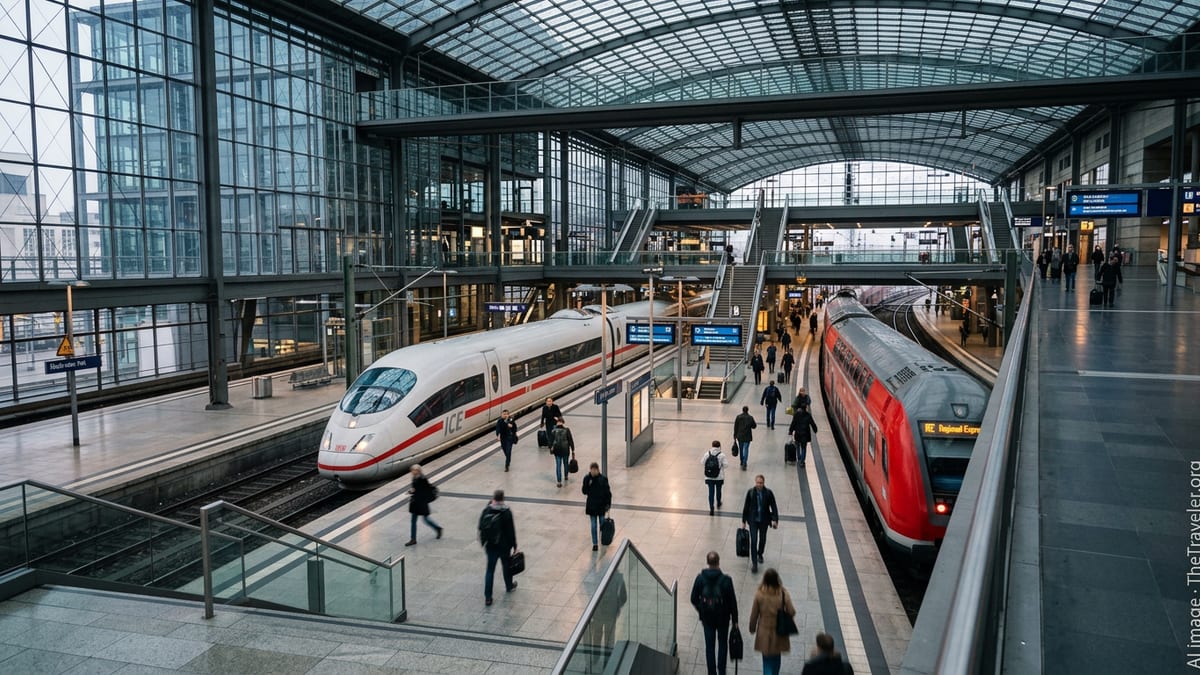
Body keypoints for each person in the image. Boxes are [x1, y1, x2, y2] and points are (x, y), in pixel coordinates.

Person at [691, 551, 739, 675]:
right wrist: (735, 621)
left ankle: (711, 672)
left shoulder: (700, 579)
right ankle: (721, 671)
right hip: (723, 619)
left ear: (708, 563)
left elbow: (693, 598)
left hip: (707, 619)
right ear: (718, 562)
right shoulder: (726, 580)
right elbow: (732, 602)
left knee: (710, 647)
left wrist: (701, 609)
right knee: (722, 645)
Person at [749, 568, 798, 675]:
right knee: (776, 657)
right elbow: (792, 611)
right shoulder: (783, 593)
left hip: (764, 631)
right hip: (779, 630)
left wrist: (752, 628)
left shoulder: (759, 594)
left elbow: (754, 614)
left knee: (766, 659)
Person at [478, 489, 518, 606]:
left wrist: (484, 541)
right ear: (503, 498)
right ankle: (509, 586)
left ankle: (488, 597)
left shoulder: (487, 510)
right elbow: (511, 531)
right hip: (504, 546)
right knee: (506, 566)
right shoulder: (506, 512)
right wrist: (514, 545)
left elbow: (481, 526)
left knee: (490, 570)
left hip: (490, 545)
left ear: (494, 498)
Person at [741, 475, 779, 573]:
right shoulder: (751, 492)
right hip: (753, 520)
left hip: (764, 520)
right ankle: (754, 563)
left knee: (762, 539)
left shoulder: (768, 493)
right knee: (753, 541)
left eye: (761, 483)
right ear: (755, 482)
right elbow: (746, 506)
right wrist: (744, 521)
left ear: (763, 483)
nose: (759, 485)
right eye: (757, 483)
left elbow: (773, 506)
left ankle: (760, 553)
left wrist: (775, 519)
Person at [405, 464, 443, 546]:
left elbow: (424, 490)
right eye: (411, 470)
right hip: (415, 503)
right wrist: (412, 491)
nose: (412, 472)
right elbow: (416, 489)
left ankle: (437, 528)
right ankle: (413, 539)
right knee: (413, 521)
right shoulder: (415, 478)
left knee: (426, 519)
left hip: (421, 503)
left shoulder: (422, 479)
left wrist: (414, 492)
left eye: (413, 470)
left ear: (418, 471)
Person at [582, 462, 612, 551]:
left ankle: (602, 539)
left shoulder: (603, 479)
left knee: (602, 523)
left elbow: (608, 493)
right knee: (593, 525)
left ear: (598, 470)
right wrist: (588, 483)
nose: (593, 472)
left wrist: (608, 505)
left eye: (595, 470)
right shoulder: (587, 478)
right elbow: (584, 491)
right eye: (592, 470)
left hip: (601, 506)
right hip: (592, 506)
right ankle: (595, 543)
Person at [702, 440, 729, 516]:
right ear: (719, 446)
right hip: (719, 477)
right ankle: (718, 502)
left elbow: (702, 462)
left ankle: (711, 508)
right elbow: (726, 465)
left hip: (709, 476)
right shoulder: (722, 455)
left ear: (712, 445)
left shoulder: (707, 454)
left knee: (711, 492)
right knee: (718, 490)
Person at [550, 417, 575, 487]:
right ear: (563, 422)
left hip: (557, 450)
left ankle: (559, 481)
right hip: (565, 450)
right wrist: (573, 449)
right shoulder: (567, 430)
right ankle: (566, 475)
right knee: (565, 463)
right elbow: (570, 440)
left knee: (558, 465)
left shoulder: (553, 431)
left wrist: (551, 448)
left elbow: (551, 441)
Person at [733, 405, 757, 470]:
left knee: (741, 449)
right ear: (747, 410)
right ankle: (745, 462)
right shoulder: (750, 417)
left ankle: (741, 460)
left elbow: (735, 427)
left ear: (742, 410)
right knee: (746, 449)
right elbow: (754, 426)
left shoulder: (738, 417)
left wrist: (735, 435)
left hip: (740, 435)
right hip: (747, 436)